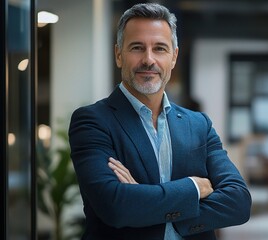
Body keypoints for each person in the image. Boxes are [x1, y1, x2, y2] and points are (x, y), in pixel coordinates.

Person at [68, 3, 251, 240]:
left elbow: (238, 203)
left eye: (160, 48)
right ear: (118, 55)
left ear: (173, 57)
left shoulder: (199, 124)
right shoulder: (93, 121)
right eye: (137, 47)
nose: (148, 59)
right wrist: (194, 188)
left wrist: (145, 202)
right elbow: (115, 206)